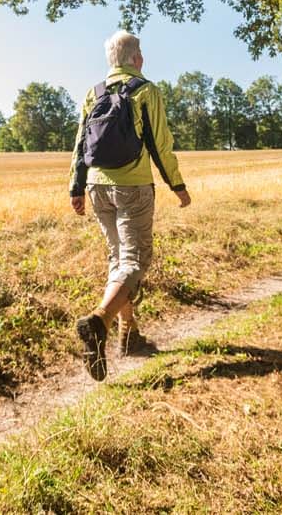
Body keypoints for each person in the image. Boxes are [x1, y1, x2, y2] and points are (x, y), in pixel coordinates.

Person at [69, 30, 191, 381]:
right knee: (135, 261)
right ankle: (100, 321)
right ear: (137, 59)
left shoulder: (92, 93)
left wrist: (76, 188)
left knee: (117, 261)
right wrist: (177, 185)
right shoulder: (145, 90)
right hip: (132, 187)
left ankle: (129, 336)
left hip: (96, 188)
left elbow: (80, 146)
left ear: (111, 61)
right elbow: (160, 144)